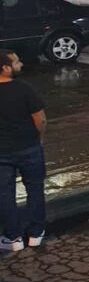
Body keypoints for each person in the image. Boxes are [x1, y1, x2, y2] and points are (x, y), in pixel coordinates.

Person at [0, 50, 47, 252]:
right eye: (17, 62)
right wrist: (39, 139)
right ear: (5, 68)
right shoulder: (25, 89)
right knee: (35, 189)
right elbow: (40, 119)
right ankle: (36, 234)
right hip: (29, 148)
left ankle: (13, 238)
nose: (21, 65)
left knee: (5, 194)